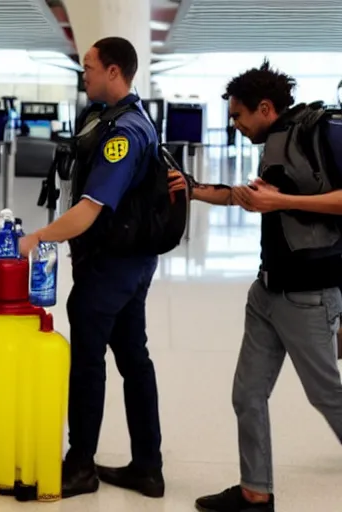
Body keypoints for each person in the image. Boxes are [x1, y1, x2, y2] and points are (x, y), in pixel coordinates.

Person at [19, 37, 177, 499]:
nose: (82, 74)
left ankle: (81, 465)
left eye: (88, 66)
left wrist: (36, 238)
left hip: (112, 267)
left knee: (88, 362)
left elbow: (89, 210)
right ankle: (148, 466)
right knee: (133, 359)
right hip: (130, 264)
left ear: (113, 71)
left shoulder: (124, 134)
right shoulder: (116, 117)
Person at [185, 61, 342, 512]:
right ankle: (256, 492)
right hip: (267, 292)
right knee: (247, 394)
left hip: (308, 297)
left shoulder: (316, 134)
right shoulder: (279, 142)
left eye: (238, 116)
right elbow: (255, 197)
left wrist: (282, 201)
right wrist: (193, 190)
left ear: (265, 108)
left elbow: (285, 202)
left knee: (327, 396)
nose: (234, 125)